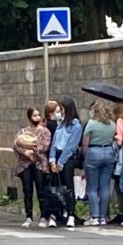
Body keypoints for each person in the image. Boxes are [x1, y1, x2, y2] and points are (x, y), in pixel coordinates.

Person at [47, 97, 84, 228]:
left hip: (67, 158)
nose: (60, 112)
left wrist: (60, 163)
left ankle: (71, 213)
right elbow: (54, 143)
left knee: (68, 187)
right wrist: (52, 160)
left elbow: (71, 146)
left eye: (61, 109)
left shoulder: (76, 126)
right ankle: (55, 213)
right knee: (56, 187)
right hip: (56, 155)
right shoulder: (60, 125)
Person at [81, 100, 119, 227]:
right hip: (108, 153)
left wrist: (85, 156)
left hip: (93, 151)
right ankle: (103, 217)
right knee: (105, 187)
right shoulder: (112, 125)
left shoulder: (91, 124)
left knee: (92, 187)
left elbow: (85, 143)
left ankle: (95, 216)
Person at [14, 108, 52, 228]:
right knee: (27, 190)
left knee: (41, 189)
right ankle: (28, 216)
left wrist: (33, 150)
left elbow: (45, 146)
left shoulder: (45, 131)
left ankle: (43, 216)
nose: (37, 117)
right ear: (29, 117)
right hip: (25, 164)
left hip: (39, 164)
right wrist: (25, 151)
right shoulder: (23, 131)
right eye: (34, 115)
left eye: (38, 115)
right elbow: (16, 144)